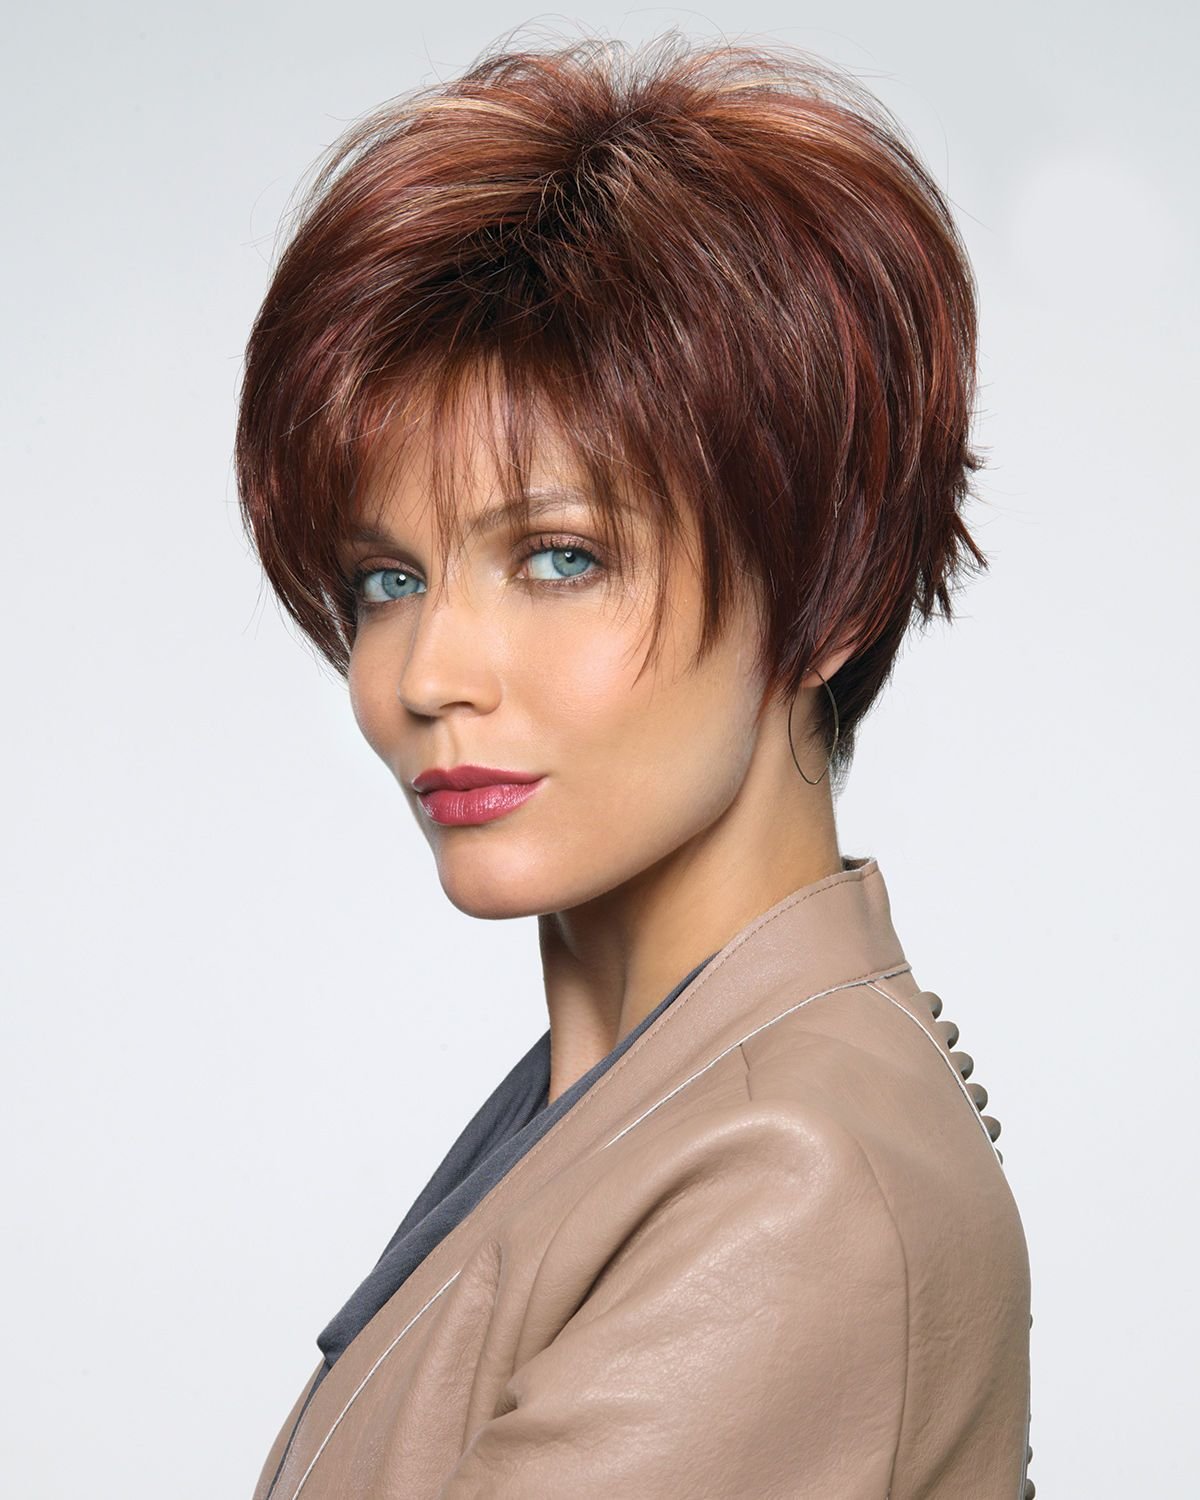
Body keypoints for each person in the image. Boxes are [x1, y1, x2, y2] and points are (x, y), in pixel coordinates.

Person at [234, 31, 1033, 1499]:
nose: (427, 676)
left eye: (559, 557)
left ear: (830, 592)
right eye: (387, 581)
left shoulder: (788, 1183)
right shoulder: (619, 1107)